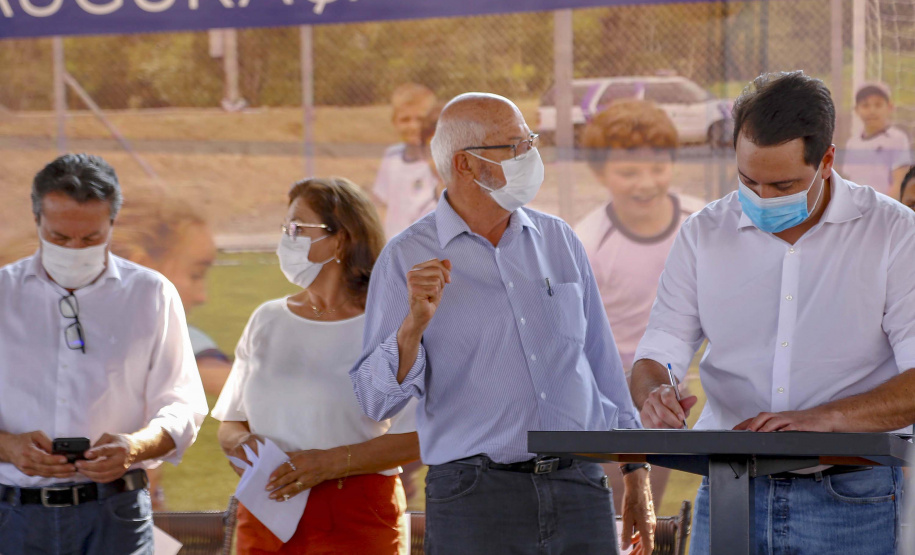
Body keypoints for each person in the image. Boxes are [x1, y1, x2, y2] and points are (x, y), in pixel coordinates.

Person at [351, 92, 655, 554]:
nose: (531, 156)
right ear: (466, 165)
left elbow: (601, 363)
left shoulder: (559, 240)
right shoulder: (406, 259)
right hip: (474, 498)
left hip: (581, 486)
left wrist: (635, 472)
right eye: (514, 146)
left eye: (530, 141)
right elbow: (374, 402)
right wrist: (411, 328)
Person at [630, 71, 915, 554]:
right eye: (747, 180)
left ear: (826, 160)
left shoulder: (894, 233)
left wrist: (821, 419)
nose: (761, 198)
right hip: (727, 490)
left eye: (782, 184)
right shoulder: (704, 233)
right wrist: (653, 393)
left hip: (850, 499)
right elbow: (657, 353)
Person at [0, 154, 208, 554]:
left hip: (117, 515)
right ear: (37, 221)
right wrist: (8, 446)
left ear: (112, 224)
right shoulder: (4, 295)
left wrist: (135, 447)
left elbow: (182, 405)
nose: (75, 248)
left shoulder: (151, 294)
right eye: (59, 237)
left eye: (91, 238)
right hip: (13, 516)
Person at [212, 177, 421, 555]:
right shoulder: (266, 319)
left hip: (355, 514)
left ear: (340, 238)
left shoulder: (391, 324)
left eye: (297, 228)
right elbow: (230, 421)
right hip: (265, 510)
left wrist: (328, 464)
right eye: (285, 228)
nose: (285, 239)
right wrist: (241, 443)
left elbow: (420, 436)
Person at [574, 99, 692, 516]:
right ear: (600, 173)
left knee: (649, 513)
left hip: (665, 399)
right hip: (608, 399)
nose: (646, 182)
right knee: (614, 512)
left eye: (657, 168)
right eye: (628, 172)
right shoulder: (587, 243)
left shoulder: (699, 226)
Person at [372, 83, 438, 240]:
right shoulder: (391, 156)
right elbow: (382, 204)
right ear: (394, 121)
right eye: (405, 119)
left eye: (420, 119)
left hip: (429, 248)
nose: (413, 126)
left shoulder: (440, 160)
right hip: (395, 245)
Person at [841, 81, 913, 199]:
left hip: (885, 210)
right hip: (858, 209)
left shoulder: (897, 138)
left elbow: (899, 181)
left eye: (878, 105)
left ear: (890, 107)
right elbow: (850, 181)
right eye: (865, 105)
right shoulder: (852, 143)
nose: (872, 110)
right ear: (856, 110)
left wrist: (888, 210)